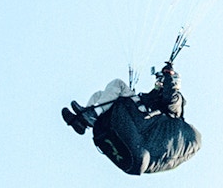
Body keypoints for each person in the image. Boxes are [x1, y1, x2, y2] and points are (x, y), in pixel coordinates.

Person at [61, 62, 201, 175]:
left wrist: (168, 75)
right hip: (139, 122)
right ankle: (83, 121)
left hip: (141, 125)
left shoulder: (176, 104)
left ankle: (91, 115)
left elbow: (170, 96)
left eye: (160, 81)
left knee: (118, 84)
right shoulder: (153, 99)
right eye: (158, 80)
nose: (158, 83)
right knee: (100, 95)